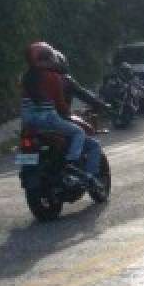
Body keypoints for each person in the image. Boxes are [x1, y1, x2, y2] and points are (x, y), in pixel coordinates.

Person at [19, 42, 104, 188]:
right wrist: (68, 112)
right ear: (48, 58)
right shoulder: (53, 77)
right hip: (49, 120)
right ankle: (72, 162)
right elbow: (60, 104)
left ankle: (25, 170)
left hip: (28, 123)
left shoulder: (24, 78)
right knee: (79, 132)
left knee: (26, 144)